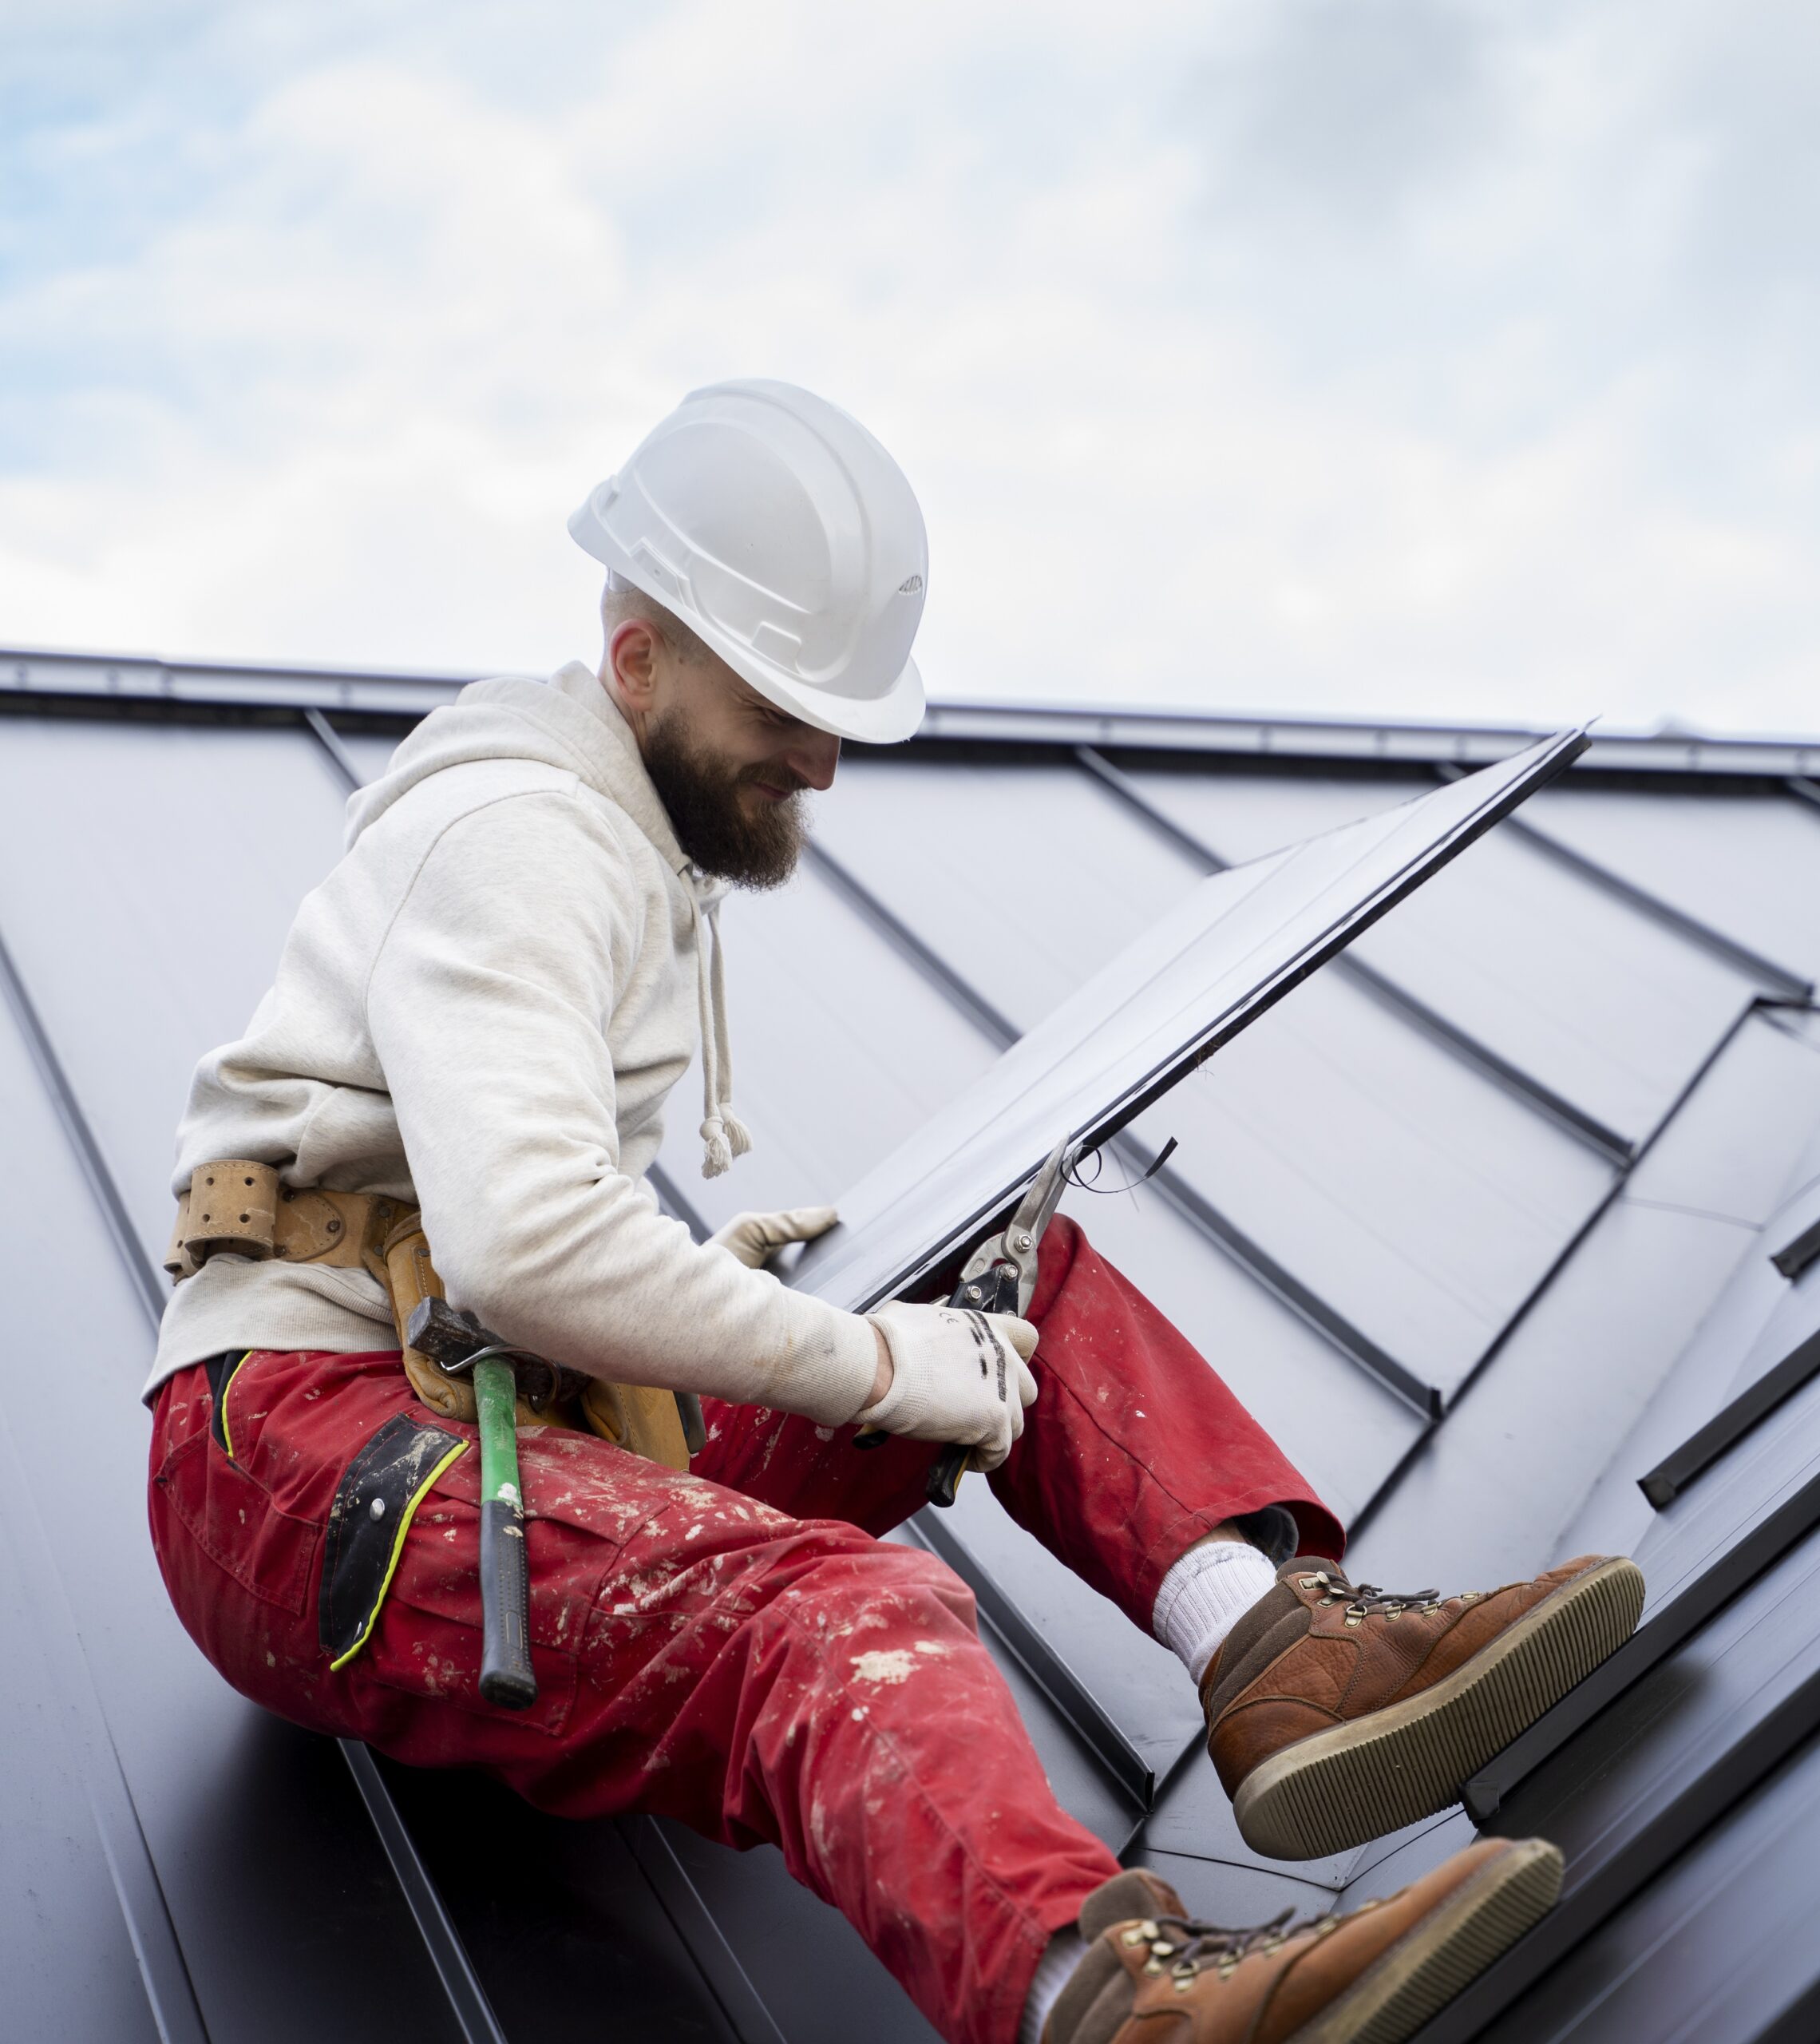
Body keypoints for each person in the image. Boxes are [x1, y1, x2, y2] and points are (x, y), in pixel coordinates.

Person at [145, 380, 1640, 2044]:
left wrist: (732, 1299)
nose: (826, 757)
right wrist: (866, 1361)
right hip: (297, 1463)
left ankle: (1273, 1655)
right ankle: (1105, 2000)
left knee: (1010, 1275)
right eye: (787, 699)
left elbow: (490, 1257)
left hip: (471, 1413)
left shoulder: (621, 842)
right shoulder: (521, 837)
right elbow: (525, 1247)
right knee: (834, 1609)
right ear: (638, 657)